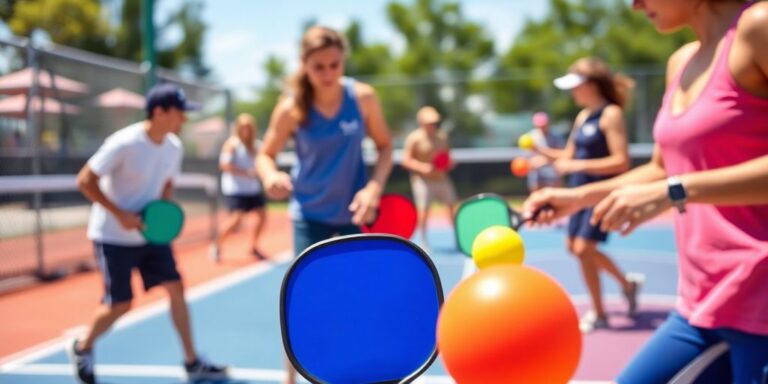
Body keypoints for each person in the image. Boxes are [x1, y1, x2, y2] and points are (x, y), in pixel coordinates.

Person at [524, 1, 768, 382]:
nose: (635, 6)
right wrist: (578, 199)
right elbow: (660, 168)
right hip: (700, 303)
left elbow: (671, 182)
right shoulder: (682, 61)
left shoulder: (759, 25)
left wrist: (675, 192)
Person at [255, 26, 393, 384]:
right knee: (302, 304)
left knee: (361, 299)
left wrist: (373, 190)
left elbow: (385, 147)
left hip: (353, 214)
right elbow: (265, 155)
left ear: (343, 60)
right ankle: (291, 380)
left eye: (335, 64)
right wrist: (270, 175)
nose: (329, 73)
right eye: (319, 67)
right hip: (309, 215)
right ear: (304, 65)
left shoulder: (363, 98)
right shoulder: (291, 107)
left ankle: (364, 373)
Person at [71, 83, 228, 384]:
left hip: (151, 238)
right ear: (159, 112)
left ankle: (192, 362)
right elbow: (85, 181)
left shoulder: (174, 146)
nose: (184, 120)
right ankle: (83, 347)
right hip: (113, 236)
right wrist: (121, 215)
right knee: (120, 305)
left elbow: (167, 183)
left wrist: (161, 217)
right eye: (180, 113)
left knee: (176, 288)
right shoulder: (124, 143)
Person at [546, 57, 642, 333]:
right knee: (575, 249)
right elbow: (567, 156)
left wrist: (575, 165)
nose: (572, 92)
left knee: (583, 249)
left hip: (599, 194)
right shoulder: (583, 116)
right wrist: (541, 156)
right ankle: (627, 285)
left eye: (576, 86)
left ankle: (600, 314)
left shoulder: (610, 114)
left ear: (590, 84)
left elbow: (621, 161)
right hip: (578, 192)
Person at [210, 113, 268, 261]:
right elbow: (225, 165)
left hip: (252, 189)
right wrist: (246, 172)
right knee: (236, 219)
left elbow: (264, 162)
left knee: (262, 216)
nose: (246, 130)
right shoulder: (232, 144)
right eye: (243, 127)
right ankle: (217, 245)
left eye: (248, 127)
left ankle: (254, 246)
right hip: (235, 189)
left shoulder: (257, 145)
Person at [401, 106, 458, 251]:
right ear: (421, 122)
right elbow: (406, 160)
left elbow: (447, 157)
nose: (433, 125)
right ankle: (423, 239)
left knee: (452, 207)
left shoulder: (442, 137)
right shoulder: (414, 138)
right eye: (429, 122)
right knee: (424, 210)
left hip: (441, 178)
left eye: (434, 122)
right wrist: (422, 168)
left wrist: (449, 163)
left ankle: (458, 237)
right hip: (423, 180)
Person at [526, 111, 565, 192]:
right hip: (536, 173)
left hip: (553, 171)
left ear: (548, 123)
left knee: (555, 197)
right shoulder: (530, 137)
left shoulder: (556, 136)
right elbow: (528, 158)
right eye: (539, 126)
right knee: (536, 197)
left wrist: (544, 159)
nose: (542, 128)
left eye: (543, 125)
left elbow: (562, 155)